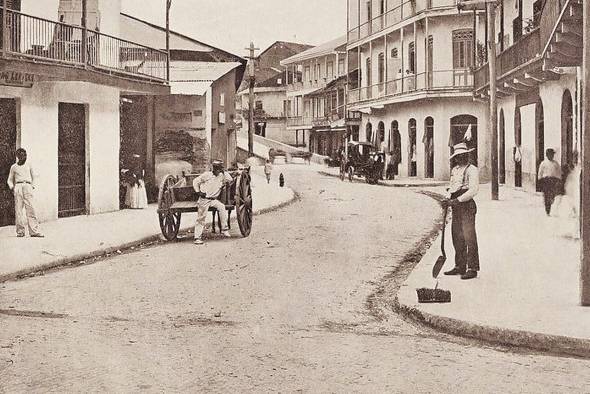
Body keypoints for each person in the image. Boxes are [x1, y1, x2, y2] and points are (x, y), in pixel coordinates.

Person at [442, 142, 479, 280]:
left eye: (463, 155)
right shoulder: (455, 170)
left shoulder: (472, 170)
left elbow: (473, 190)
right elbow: (452, 186)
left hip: (467, 205)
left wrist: (458, 200)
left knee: (469, 236)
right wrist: (448, 199)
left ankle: (472, 268)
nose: (460, 158)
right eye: (457, 156)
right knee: (457, 236)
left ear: (467, 155)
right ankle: (460, 266)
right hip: (455, 205)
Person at [192, 160, 233, 245]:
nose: (218, 171)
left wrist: (224, 172)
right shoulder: (206, 175)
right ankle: (197, 237)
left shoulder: (222, 176)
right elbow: (195, 181)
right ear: (213, 168)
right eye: (217, 169)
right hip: (204, 199)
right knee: (201, 217)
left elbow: (230, 179)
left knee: (221, 207)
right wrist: (198, 192)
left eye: (219, 169)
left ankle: (224, 229)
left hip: (213, 200)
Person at [7, 148, 44, 238]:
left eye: (25, 155)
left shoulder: (29, 165)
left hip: (28, 186)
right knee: (19, 210)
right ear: (18, 156)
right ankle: (20, 232)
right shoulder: (14, 167)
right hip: (18, 187)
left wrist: (32, 186)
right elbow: (9, 180)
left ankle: (34, 231)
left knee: (31, 209)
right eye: (22, 155)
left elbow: (34, 176)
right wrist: (12, 187)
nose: (24, 157)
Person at [537, 148, 562, 216]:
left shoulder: (555, 163)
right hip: (546, 181)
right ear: (547, 155)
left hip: (553, 181)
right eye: (550, 154)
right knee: (546, 196)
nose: (551, 156)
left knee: (552, 195)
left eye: (552, 154)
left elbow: (559, 172)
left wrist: (559, 180)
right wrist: (540, 180)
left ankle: (551, 202)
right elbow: (540, 172)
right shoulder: (543, 163)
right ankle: (547, 210)